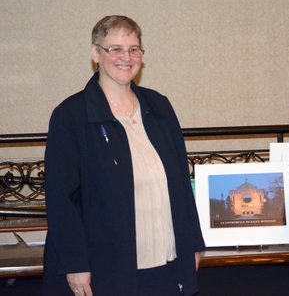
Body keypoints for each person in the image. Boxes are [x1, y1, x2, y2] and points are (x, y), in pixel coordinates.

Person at [43, 15, 205, 295]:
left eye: (133, 49)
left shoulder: (160, 107)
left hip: (166, 263)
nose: (126, 57)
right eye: (115, 49)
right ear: (96, 53)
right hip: (105, 269)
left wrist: (193, 243)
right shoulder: (71, 115)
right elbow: (61, 200)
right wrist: (75, 263)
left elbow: (180, 181)